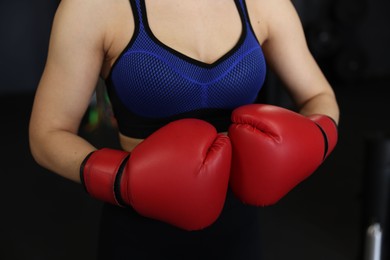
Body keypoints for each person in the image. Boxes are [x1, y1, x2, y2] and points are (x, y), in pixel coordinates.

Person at [29, 0, 340, 259]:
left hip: (239, 229)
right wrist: (122, 179)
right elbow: (47, 134)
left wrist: (311, 140)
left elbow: (319, 97)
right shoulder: (95, 7)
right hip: (139, 227)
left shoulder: (263, 4)